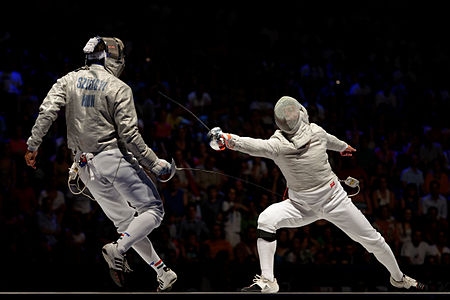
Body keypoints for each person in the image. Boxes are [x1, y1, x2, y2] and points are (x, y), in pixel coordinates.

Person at [207, 96, 424, 293]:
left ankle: (398, 278)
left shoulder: (292, 140)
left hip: (335, 201)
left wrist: (225, 139)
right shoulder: (291, 140)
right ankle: (268, 280)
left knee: (374, 240)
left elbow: (254, 145)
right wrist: (228, 139)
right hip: (301, 205)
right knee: (266, 219)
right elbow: (252, 145)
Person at [24, 36, 177, 291]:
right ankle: (118, 248)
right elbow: (129, 136)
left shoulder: (68, 80)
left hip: (84, 167)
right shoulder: (118, 87)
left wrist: (33, 145)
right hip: (112, 158)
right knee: (153, 209)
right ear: (112, 59)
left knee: (128, 224)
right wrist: (156, 164)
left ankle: (163, 272)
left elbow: (47, 111)